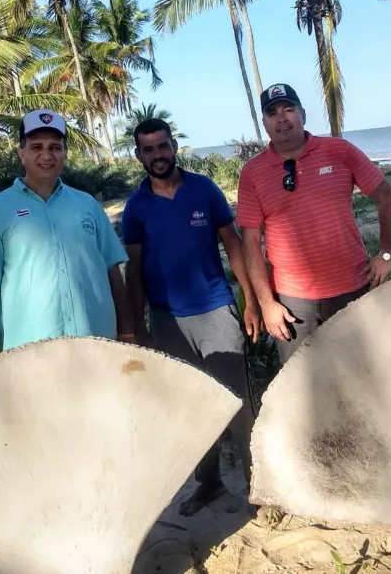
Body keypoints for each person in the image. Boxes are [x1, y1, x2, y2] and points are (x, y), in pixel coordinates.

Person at [122, 118, 261, 517]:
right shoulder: (135, 207)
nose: (157, 155)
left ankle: (260, 483)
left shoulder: (204, 189)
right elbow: (134, 269)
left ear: (174, 147)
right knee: (190, 407)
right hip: (167, 320)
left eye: (162, 146)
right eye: (148, 150)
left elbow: (233, 244)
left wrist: (248, 299)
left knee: (238, 403)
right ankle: (210, 483)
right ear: (139, 155)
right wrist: (139, 326)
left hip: (217, 309)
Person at [237, 84, 391, 365]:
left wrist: (386, 255)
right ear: (264, 123)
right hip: (292, 302)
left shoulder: (340, 151)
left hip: (352, 287)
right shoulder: (253, 173)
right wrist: (267, 304)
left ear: (302, 113)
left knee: (364, 371)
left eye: (289, 109)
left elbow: (388, 198)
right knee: (300, 381)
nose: (282, 118)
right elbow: (250, 243)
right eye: (272, 113)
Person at [0, 109, 135, 362]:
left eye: (55, 147)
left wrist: (128, 334)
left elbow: (112, 272)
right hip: (30, 356)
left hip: (98, 348)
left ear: (64, 153)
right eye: (36, 147)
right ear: (21, 153)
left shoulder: (88, 205)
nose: (47, 155)